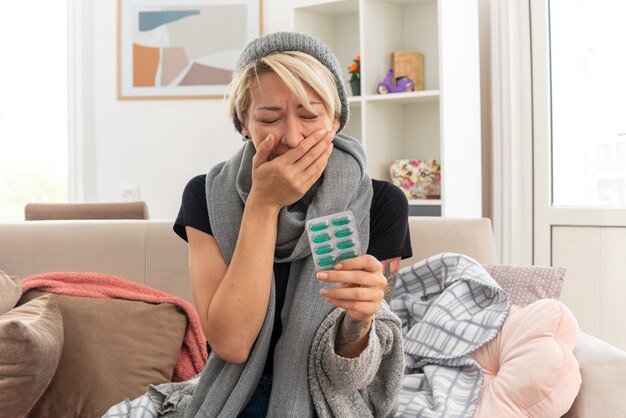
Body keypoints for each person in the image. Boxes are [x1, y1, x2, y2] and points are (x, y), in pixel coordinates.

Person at [173, 31, 412, 417]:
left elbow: (354, 374)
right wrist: (263, 205)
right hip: (235, 393)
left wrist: (361, 321)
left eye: (309, 115)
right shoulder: (204, 196)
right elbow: (231, 345)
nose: (292, 136)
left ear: (335, 121)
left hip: (331, 394)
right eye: (269, 118)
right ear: (243, 125)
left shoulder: (383, 204)